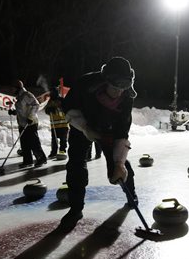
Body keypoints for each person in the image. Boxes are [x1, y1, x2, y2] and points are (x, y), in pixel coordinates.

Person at [59, 56, 138, 231]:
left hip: (109, 132)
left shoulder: (126, 97)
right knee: (76, 165)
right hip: (82, 127)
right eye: (115, 87)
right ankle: (76, 208)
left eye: (123, 88)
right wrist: (85, 127)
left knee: (120, 168)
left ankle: (131, 195)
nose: (119, 92)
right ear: (105, 80)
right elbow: (68, 108)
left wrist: (118, 163)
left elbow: (122, 131)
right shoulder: (85, 84)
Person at [8, 80, 47, 167]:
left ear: (18, 88)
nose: (12, 90)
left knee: (33, 142)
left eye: (13, 88)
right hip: (22, 123)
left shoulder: (26, 95)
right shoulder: (19, 97)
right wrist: (14, 112)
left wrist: (30, 117)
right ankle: (28, 160)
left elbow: (36, 105)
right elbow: (23, 110)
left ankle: (41, 158)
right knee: (24, 143)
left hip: (30, 122)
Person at [44, 87, 69, 158]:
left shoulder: (61, 100)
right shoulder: (50, 101)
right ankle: (53, 152)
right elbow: (46, 110)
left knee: (63, 140)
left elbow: (64, 109)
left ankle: (62, 151)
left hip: (63, 124)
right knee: (54, 140)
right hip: (54, 125)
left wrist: (56, 109)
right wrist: (48, 110)